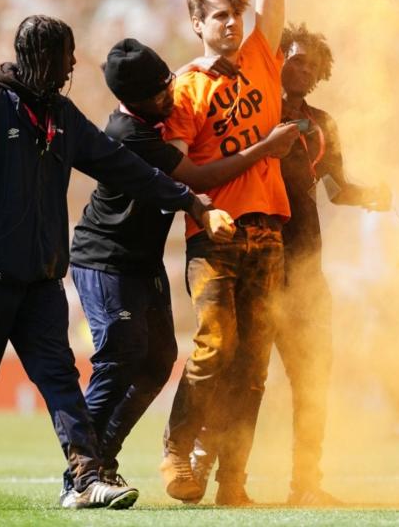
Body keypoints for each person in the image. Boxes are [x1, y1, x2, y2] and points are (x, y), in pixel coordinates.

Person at [0, 15, 232, 511]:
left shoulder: (60, 115)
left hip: (41, 276)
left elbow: (125, 167)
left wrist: (188, 200)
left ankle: (85, 478)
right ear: (40, 59)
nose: (73, 64)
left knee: (61, 379)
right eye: (65, 56)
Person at [62, 38, 298, 499]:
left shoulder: (157, 117)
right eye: (160, 92)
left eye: (169, 82)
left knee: (158, 363)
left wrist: (204, 67)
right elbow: (196, 179)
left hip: (141, 260)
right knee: (121, 359)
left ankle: (102, 462)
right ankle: (80, 475)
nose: (170, 95)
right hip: (105, 258)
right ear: (132, 100)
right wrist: (264, 148)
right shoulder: (131, 135)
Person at [159, 0, 289, 506]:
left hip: (269, 231)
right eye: (218, 17)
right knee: (213, 348)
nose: (232, 24)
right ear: (197, 24)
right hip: (213, 234)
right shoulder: (187, 86)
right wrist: (265, 150)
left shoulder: (264, 54)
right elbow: (180, 171)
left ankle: (231, 481)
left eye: (236, 13)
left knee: (254, 369)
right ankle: (178, 451)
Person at [269, 23, 389, 504]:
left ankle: (307, 484)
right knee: (244, 375)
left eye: (312, 66)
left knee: (314, 374)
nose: (302, 70)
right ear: (277, 59)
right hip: (254, 258)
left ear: (321, 76)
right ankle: (225, 480)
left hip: (306, 267)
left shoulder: (323, 123)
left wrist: (372, 195)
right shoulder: (254, 110)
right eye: (295, 59)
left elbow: (336, 191)